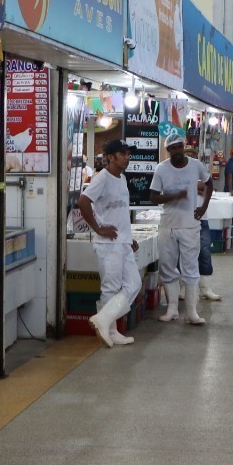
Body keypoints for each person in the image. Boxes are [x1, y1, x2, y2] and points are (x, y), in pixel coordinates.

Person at [77, 140, 142, 347]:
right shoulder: (102, 178)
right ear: (111, 157)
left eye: (128, 153)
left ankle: (104, 321)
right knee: (111, 288)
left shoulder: (122, 178)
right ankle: (110, 331)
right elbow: (83, 202)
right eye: (123, 153)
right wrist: (98, 229)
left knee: (134, 284)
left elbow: (119, 212)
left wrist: (128, 237)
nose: (127, 157)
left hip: (123, 242)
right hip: (108, 244)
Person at [150, 136, 212, 326]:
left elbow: (209, 183)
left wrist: (203, 207)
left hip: (189, 225)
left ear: (183, 147)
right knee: (167, 266)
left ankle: (192, 312)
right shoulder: (161, 169)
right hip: (168, 224)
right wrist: (174, 196)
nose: (177, 151)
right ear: (168, 150)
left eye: (179, 147)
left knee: (190, 267)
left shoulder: (196, 165)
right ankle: (172, 309)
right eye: (173, 148)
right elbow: (153, 197)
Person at [191, 146, 223, 301]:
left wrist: (194, 188)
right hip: (182, 219)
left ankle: (205, 288)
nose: (190, 157)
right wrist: (198, 188)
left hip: (201, 218)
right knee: (182, 254)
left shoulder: (200, 170)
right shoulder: (176, 171)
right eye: (187, 154)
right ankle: (183, 288)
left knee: (204, 251)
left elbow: (207, 186)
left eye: (192, 154)